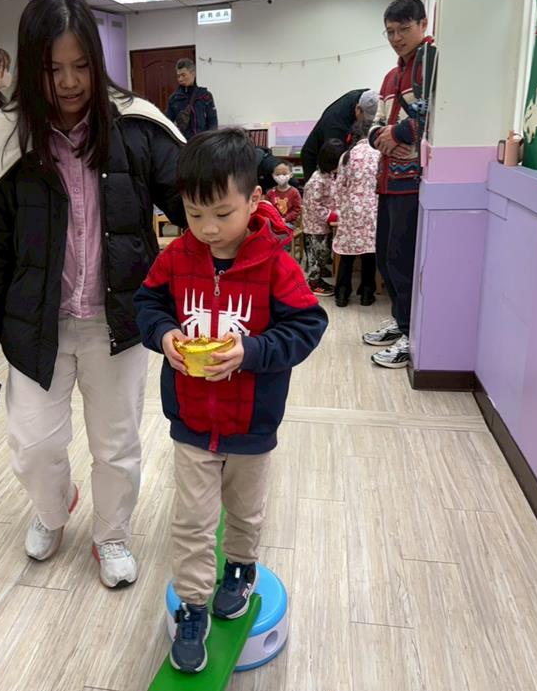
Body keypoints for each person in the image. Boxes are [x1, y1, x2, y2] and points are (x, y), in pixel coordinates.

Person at [0, 0, 186, 589]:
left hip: (119, 320)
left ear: (96, 61)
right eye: (53, 68)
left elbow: (193, 200)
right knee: (33, 444)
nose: (68, 82)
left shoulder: (135, 127)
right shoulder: (1, 140)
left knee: (116, 444)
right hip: (37, 322)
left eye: (81, 65)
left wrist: (246, 195)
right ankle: (54, 508)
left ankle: (111, 534)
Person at [133, 128, 327, 674]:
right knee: (192, 521)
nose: (208, 228)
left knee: (244, 511)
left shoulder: (275, 265)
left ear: (254, 199)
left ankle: (240, 569)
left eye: (222, 213)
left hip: (251, 422)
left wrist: (252, 352)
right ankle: (193, 607)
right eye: (194, 215)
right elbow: (147, 304)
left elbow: (308, 325)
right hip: (192, 419)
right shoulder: (178, 258)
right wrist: (164, 335)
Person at [364, 0, 436, 369]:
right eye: (390, 31)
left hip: (413, 183)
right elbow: (374, 126)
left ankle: (411, 334)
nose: (396, 38)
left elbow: (433, 117)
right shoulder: (391, 77)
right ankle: (400, 320)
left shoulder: (431, 63)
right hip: (387, 181)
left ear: (423, 24)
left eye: (403, 29)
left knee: (403, 260)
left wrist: (398, 133)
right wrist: (384, 136)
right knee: (385, 258)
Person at [331, 91, 380, 307]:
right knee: (369, 253)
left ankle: (342, 293)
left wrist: (343, 208)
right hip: (372, 212)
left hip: (350, 212)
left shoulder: (346, 156)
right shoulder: (379, 155)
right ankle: (367, 293)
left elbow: (339, 188)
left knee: (347, 254)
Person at [301, 139, 346, 297]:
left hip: (324, 224)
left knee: (324, 253)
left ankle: (318, 277)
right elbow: (313, 204)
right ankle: (313, 283)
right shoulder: (317, 181)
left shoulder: (328, 176)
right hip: (314, 226)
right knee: (317, 255)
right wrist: (330, 215)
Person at [300, 88, 367, 180]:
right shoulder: (337, 124)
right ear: (358, 109)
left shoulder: (367, 98)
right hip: (315, 161)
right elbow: (336, 161)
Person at [165, 58, 218, 139]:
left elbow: (213, 121)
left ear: (193, 74)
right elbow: (168, 124)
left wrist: (210, 141)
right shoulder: (174, 98)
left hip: (202, 141)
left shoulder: (205, 96)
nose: (180, 79)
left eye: (183, 75)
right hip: (182, 143)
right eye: (178, 76)